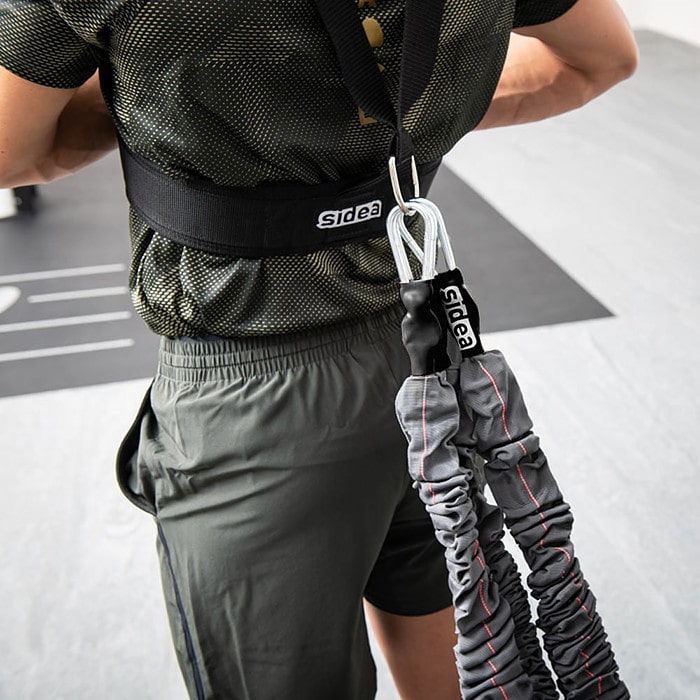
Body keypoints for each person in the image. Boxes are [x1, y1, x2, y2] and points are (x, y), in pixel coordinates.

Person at [0, 1, 637, 698]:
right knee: (469, 648)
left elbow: (14, 149)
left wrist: (149, 98)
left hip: (248, 406)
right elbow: (600, 59)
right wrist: (400, 117)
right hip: (427, 359)